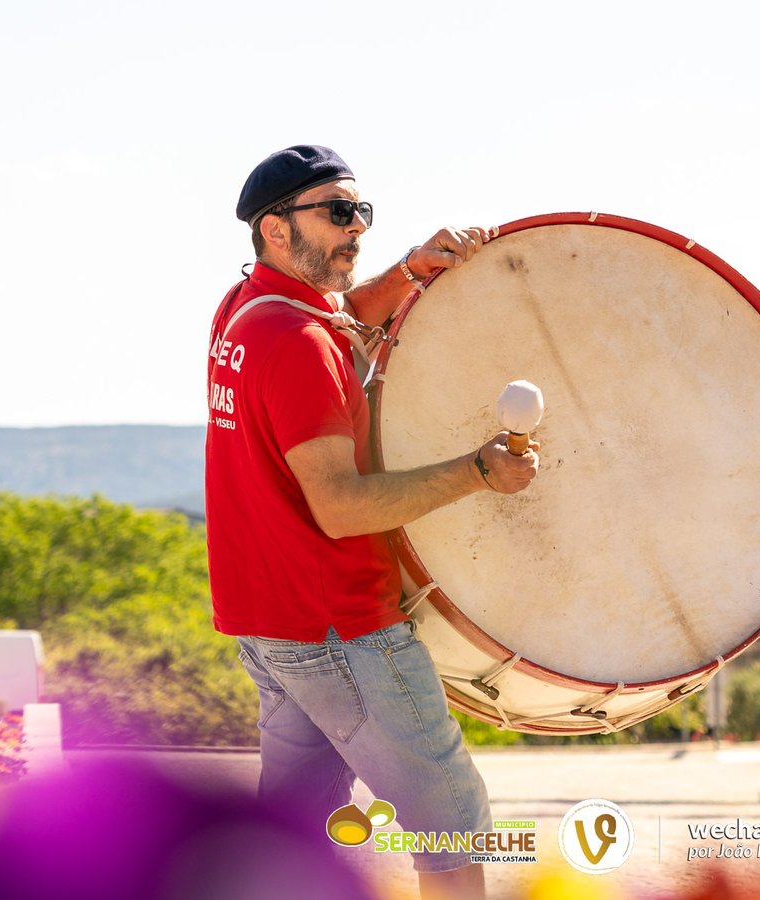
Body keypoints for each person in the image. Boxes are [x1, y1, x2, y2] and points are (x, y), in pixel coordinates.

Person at [205, 144, 539, 900]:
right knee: (449, 826)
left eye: (360, 210)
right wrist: (478, 471)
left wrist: (408, 272)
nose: (356, 227)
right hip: (340, 630)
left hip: (272, 624)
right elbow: (341, 507)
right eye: (336, 212)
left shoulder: (246, 311)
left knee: (293, 836)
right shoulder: (297, 346)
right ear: (276, 229)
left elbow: (335, 320)